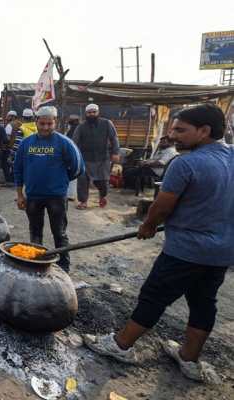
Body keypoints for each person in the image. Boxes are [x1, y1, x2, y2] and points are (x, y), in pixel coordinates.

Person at [84, 104, 233, 384]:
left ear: (204, 131)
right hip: (221, 252)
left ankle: (120, 346)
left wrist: (149, 225)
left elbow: (162, 204)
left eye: (180, 130)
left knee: (154, 296)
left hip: (186, 250)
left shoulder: (186, 163)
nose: (173, 134)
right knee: (204, 303)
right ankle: (189, 359)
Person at [14, 106, 84, 272]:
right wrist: (20, 195)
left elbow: (78, 167)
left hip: (56, 197)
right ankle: (36, 263)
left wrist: (61, 182)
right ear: (36, 121)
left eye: (49, 124)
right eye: (42, 123)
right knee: (35, 233)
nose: (45, 127)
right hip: (33, 197)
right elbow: (18, 169)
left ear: (55, 122)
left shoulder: (64, 143)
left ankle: (64, 267)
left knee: (59, 233)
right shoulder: (26, 143)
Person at [72, 103, 120, 209]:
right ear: (86, 114)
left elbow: (114, 138)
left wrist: (116, 152)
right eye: (89, 113)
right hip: (85, 159)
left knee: (103, 181)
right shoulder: (81, 127)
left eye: (94, 112)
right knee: (83, 180)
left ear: (98, 112)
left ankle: (102, 197)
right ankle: (83, 201)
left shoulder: (107, 123)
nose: (92, 114)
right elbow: (74, 143)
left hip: (103, 158)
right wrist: (74, 157)